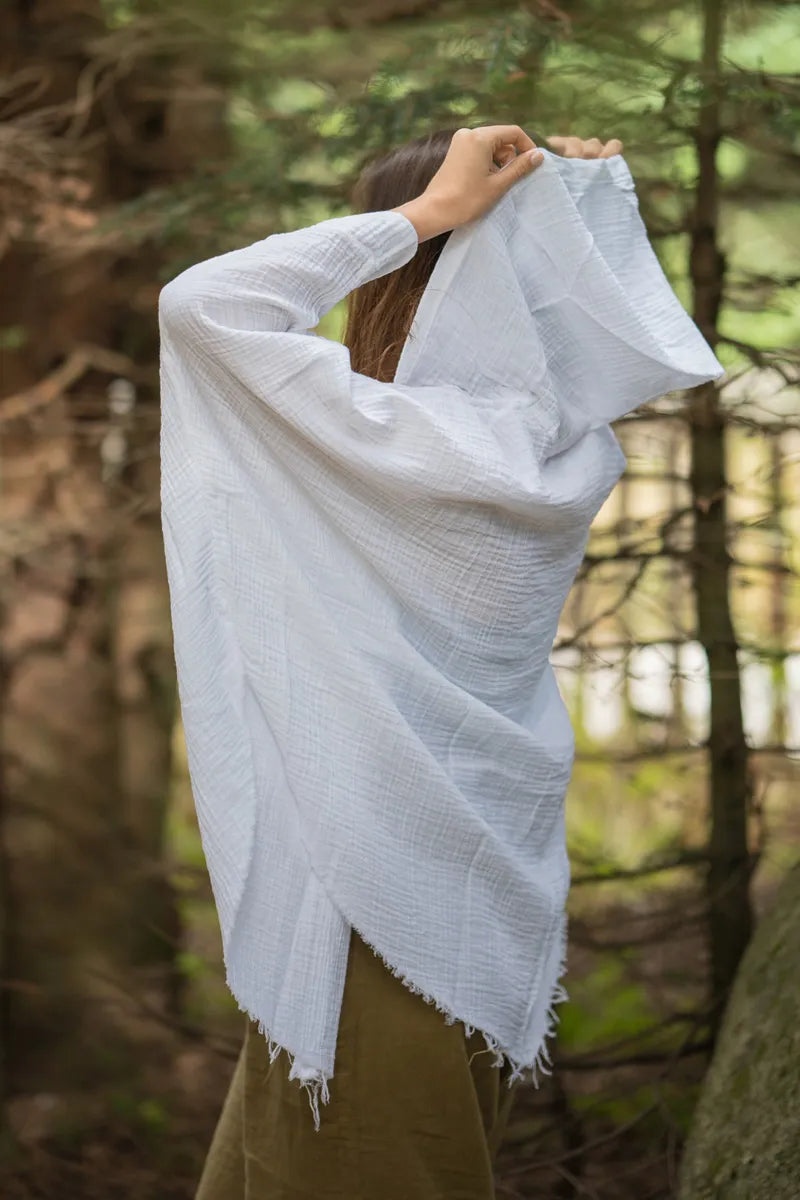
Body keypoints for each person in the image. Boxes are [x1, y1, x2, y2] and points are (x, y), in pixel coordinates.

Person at [158, 124, 722, 1200]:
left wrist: (426, 214)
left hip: (368, 902)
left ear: (414, 274)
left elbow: (201, 306)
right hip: (472, 902)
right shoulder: (557, 449)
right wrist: (565, 202)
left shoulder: (387, 434)